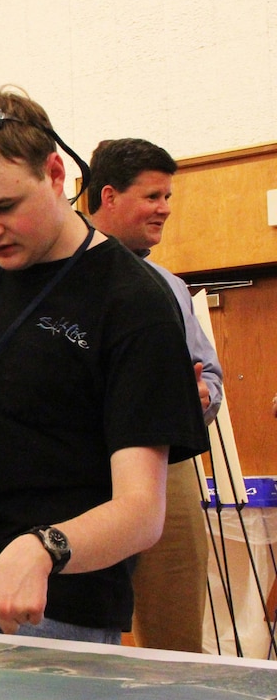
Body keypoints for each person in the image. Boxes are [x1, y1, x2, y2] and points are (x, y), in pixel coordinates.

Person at [0, 89, 208, 665]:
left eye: (3, 207)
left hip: (58, 595)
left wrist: (46, 547)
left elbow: (141, 511)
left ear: (54, 173)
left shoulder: (134, 301)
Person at [88, 137, 221, 653]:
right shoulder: (59, 276)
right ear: (109, 196)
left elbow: (210, 376)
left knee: (175, 628)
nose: (165, 209)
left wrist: (198, 396)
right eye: (152, 197)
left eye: (168, 197)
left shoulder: (169, 284)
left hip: (170, 464)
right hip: (84, 465)